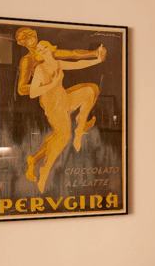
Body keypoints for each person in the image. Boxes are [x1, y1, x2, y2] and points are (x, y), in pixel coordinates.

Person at [16, 29, 105, 192]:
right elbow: (22, 89)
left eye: (31, 34)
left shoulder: (54, 58)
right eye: (25, 37)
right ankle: (41, 167)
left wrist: (96, 55)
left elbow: (74, 56)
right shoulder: (28, 61)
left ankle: (80, 126)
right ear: (21, 43)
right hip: (50, 101)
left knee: (91, 89)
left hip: (62, 96)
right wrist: (48, 84)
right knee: (62, 135)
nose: (31, 38)